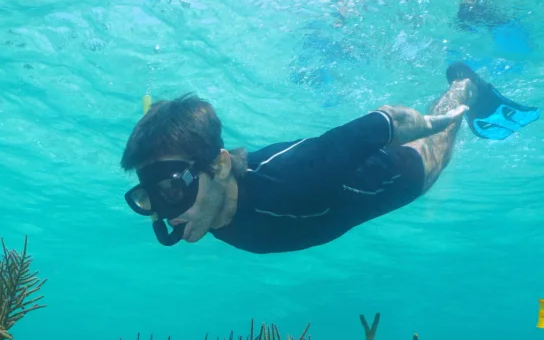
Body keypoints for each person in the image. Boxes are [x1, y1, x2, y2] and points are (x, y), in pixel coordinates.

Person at [122, 63, 539, 250]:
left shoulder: (296, 175)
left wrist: (439, 121)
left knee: (437, 151)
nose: (162, 213)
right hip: (319, 191)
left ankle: (466, 86)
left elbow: (385, 122)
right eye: (146, 198)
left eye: (172, 188)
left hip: (393, 176)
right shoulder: (205, 205)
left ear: (218, 167)